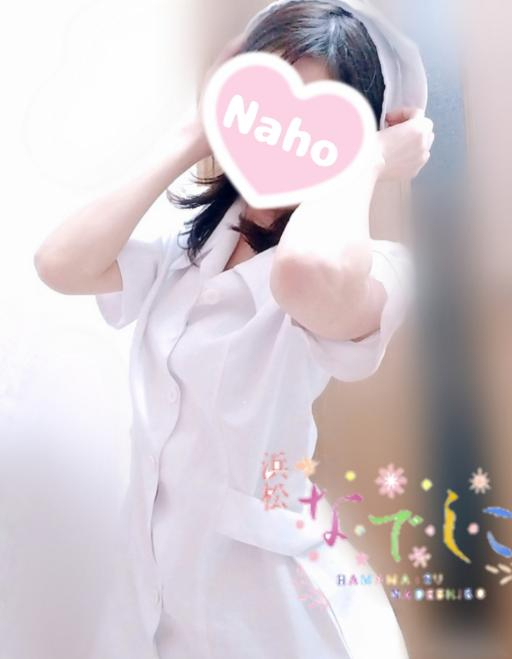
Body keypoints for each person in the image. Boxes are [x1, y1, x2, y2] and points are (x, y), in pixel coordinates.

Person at [34, 1, 433, 657]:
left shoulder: (377, 267)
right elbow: (60, 263)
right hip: (151, 589)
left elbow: (304, 276)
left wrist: (365, 162)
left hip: (278, 610)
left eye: (315, 120)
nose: (282, 134)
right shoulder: (188, 247)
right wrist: (195, 129)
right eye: (262, 106)